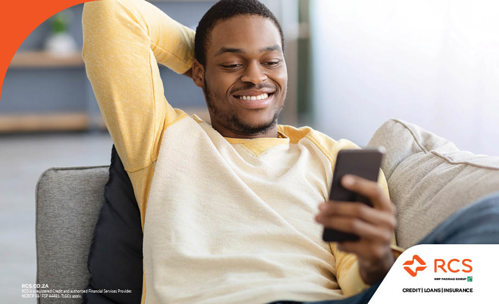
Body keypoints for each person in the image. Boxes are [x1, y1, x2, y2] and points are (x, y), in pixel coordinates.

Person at [82, 1, 499, 304]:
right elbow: (111, 12)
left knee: (489, 227)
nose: (256, 78)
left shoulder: (339, 156)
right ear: (198, 72)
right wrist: (208, 50)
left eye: (271, 62)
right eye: (233, 65)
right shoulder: (160, 139)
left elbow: (360, 283)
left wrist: (377, 262)